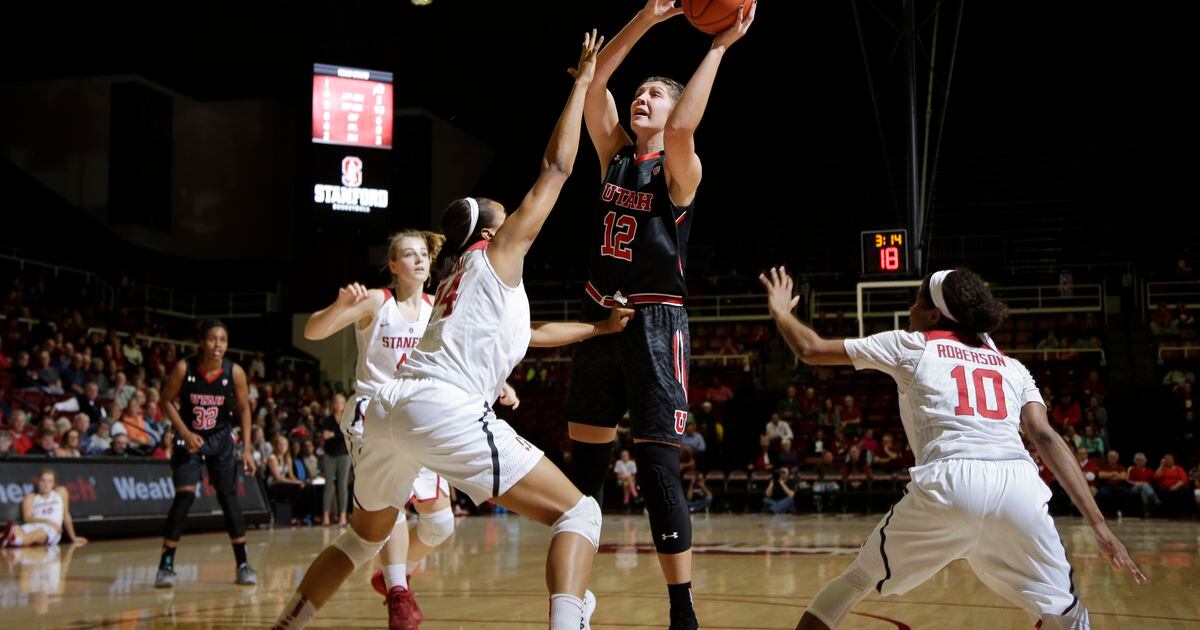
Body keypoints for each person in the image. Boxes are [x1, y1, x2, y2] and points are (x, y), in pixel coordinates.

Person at [274, 33, 623, 630]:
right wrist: (584, 84)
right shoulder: (499, 253)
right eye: (501, 211)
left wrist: (598, 328)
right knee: (580, 514)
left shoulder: (463, 282)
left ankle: (285, 626)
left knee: (362, 538)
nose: (512, 213)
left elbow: (531, 333)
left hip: (388, 408)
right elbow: (557, 167)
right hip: (442, 407)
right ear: (489, 231)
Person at [758, 266, 1145, 630]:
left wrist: (780, 312)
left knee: (857, 579)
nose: (910, 309)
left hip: (951, 480)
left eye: (916, 301)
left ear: (933, 314)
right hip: (1019, 487)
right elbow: (1045, 437)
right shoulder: (1012, 367)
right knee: (1063, 610)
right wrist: (1099, 524)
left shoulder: (913, 345)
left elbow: (809, 348)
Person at [562, 3, 756, 627]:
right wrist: (646, 18)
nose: (641, 97)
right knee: (584, 474)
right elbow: (595, 83)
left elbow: (682, 131)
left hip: (655, 323)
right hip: (600, 318)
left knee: (657, 471)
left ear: (674, 111)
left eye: (655, 94)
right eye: (639, 91)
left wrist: (718, 47)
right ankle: (575, 598)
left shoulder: (680, 169)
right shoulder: (614, 152)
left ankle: (682, 611)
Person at [154, 320, 258, 588]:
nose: (217, 345)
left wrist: (247, 448)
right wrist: (184, 433)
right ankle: (166, 566)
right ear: (202, 342)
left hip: (220, 439)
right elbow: (165, 399)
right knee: (184, 496)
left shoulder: (234, 372)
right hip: (188, 438)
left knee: (228, 497)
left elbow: (244, 409)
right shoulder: (184, 368)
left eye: (222, 340)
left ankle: (243, 564)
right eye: (212, 339)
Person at [1, 469, 87, 547]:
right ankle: (12, 540)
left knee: (37, 534)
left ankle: (14, 540)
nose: (46, 485)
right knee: (12, 533)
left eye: (50, 481)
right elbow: (27, 518)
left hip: (52, 529)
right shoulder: (31, 497)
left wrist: (73, 537)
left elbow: (66, 515)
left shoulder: (61, 492)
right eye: (43, 481)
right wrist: (47, 521)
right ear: (38, 481)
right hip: (34, 524)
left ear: (53, 483)